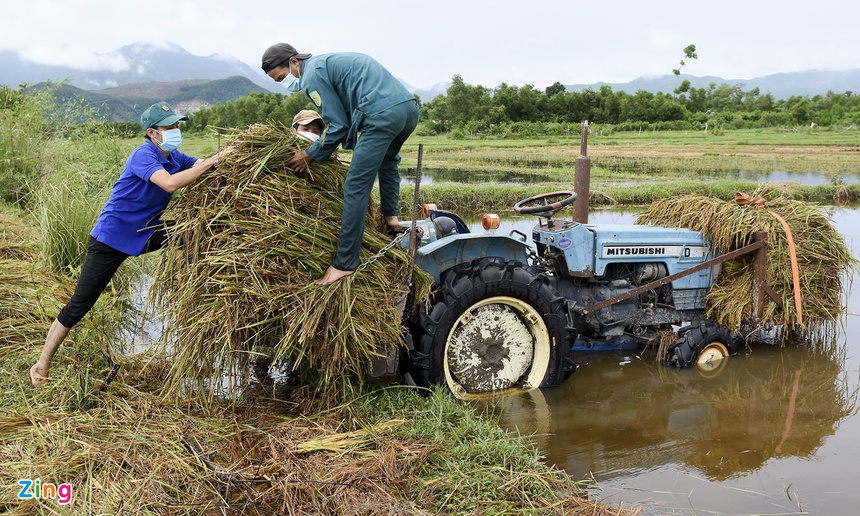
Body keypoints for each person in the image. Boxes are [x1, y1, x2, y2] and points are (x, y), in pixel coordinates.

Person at [29, 102, 225, 387]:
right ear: (152, 133)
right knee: (79, 305)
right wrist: (210, 162)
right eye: (169, 127)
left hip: (144, 232)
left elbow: (202, 164)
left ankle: (207, 283)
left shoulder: (173, 155)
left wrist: (229, 155)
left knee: (193, 229)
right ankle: (42, 364)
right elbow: (169, 184)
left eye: (177, 126)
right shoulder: (143, 155)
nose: (175, 131)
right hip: (111, 239)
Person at [261, 43, 420, 285]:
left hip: (381, 114)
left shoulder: (311, 76)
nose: (285, 83)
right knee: (388, 161)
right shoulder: (327, 63)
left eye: (282, 77)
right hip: (408, 109)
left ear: (294, 62)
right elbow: (345, 118)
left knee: (355, 185)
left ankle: (343, 264)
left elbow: (338, 125)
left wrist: (309, 154)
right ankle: (391, 218)